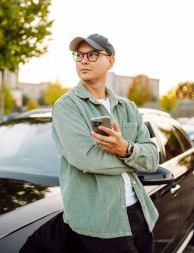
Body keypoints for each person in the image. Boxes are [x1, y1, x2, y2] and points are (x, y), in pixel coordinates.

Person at [51, 34, 160, 253]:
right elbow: (87, 159)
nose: (83, 60)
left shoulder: (127, 107)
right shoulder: (67, 107)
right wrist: (131, 156)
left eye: (92, 55)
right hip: (98, 222)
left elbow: (153, 157)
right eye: (79, 55)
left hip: (139, 212)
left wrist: (127, 149)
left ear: (110, 61)